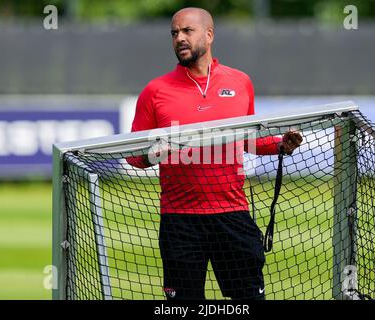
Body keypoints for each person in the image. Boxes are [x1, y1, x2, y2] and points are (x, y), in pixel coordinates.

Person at [127, 7, 302, 300]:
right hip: (180, 221)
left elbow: (247, 139)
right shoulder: (155, 91)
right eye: (174, 33)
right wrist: (153, 155)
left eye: (187, 31)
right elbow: (134, 155)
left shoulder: (240, 82)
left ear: (209, 35)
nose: (179, 38)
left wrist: (280, 145)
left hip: (232, 216)